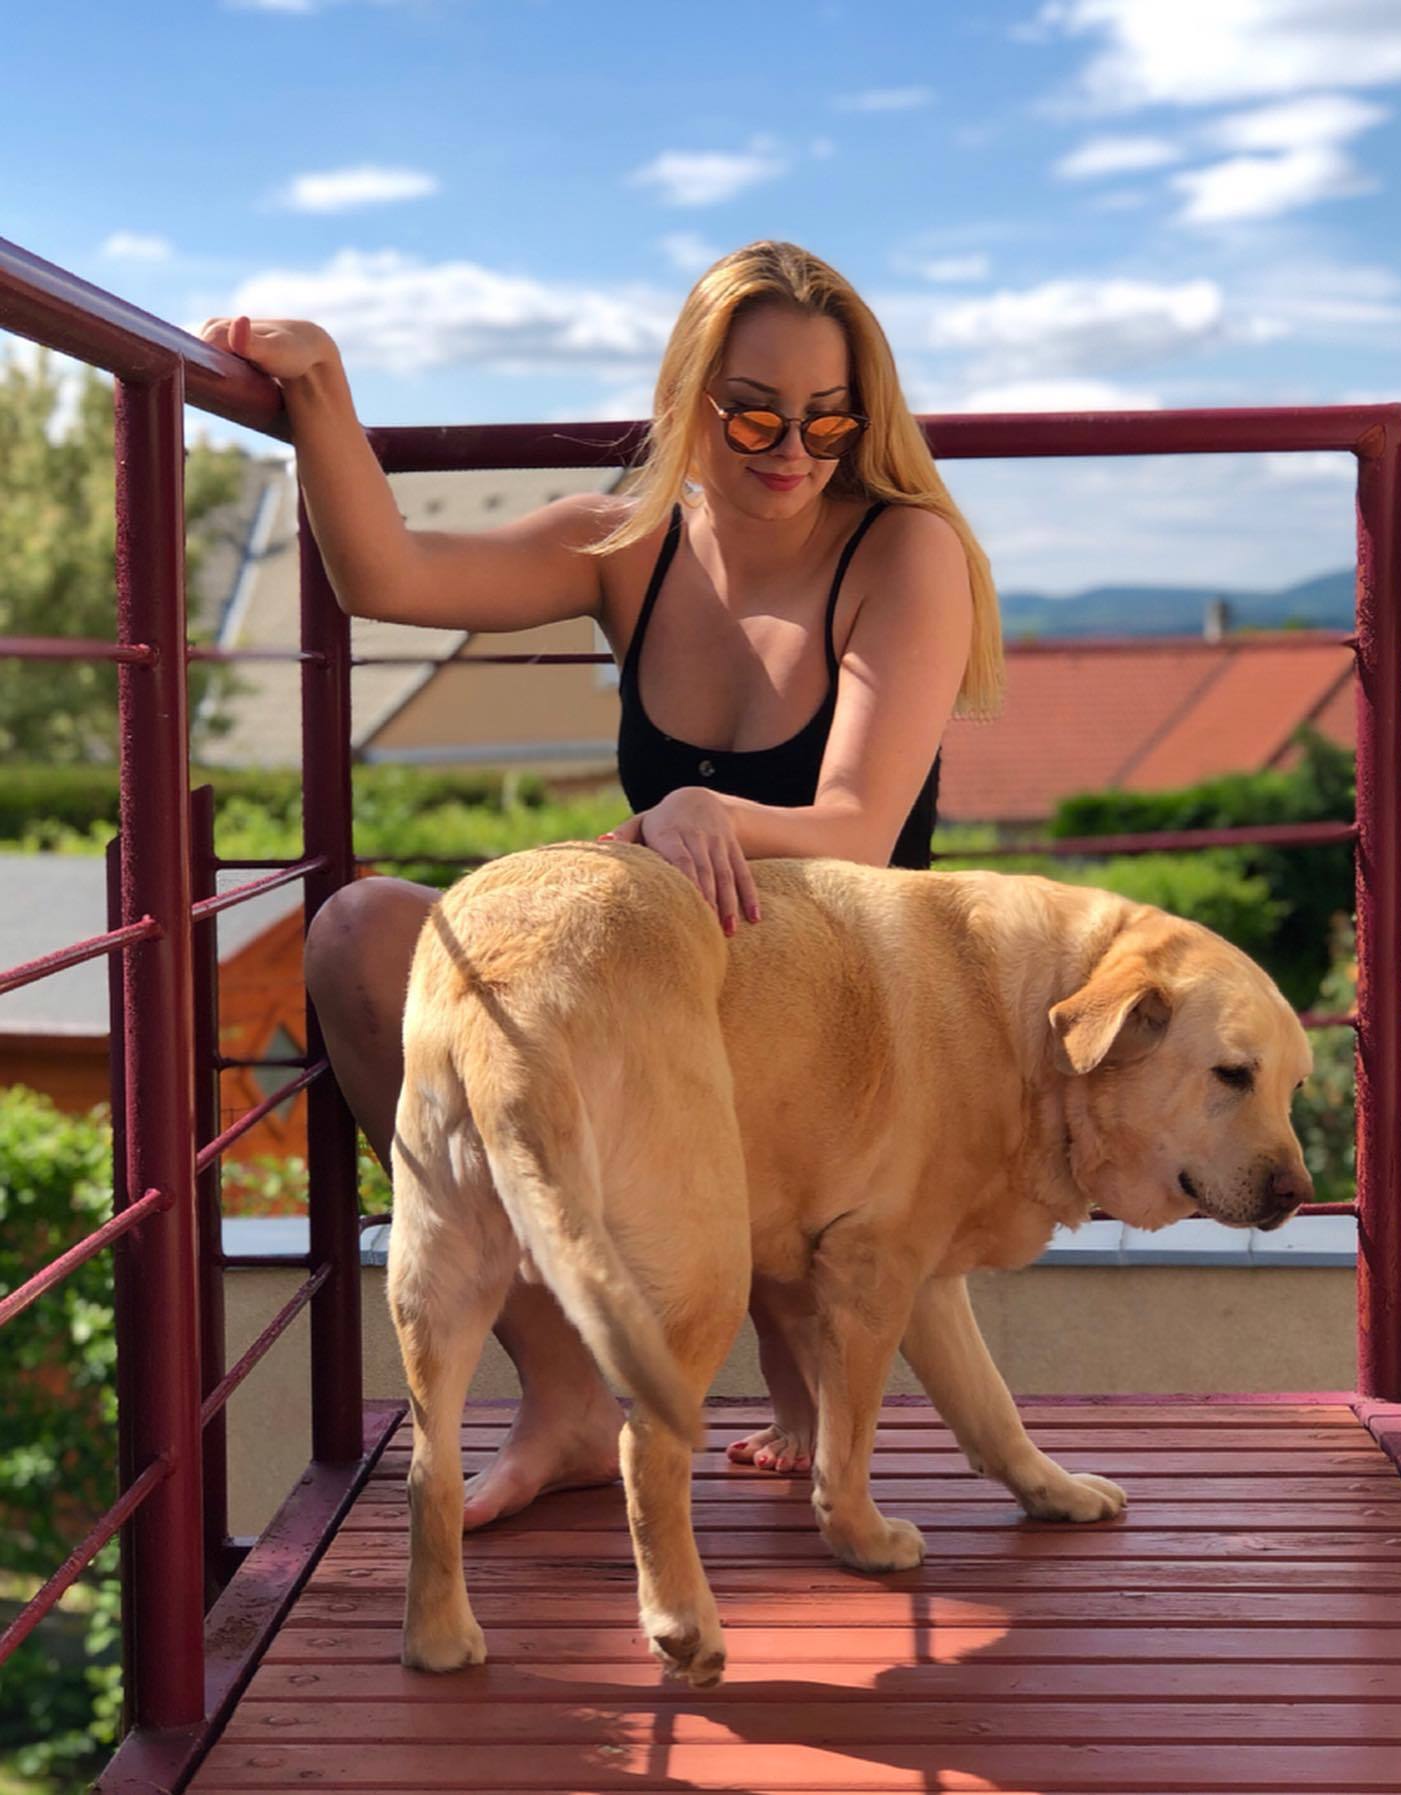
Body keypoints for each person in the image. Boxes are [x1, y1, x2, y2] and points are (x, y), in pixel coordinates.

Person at [199, 238, 1003, 1526]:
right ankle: (568, 1397)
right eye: (754, 413)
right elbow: (385, 577)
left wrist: (694, 810)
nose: (794, 451)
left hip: (844, 1021)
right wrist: (322, 389)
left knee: (809, 1389)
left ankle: (790, 1345)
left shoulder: (904, 550)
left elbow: (858, 830)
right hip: (673, 975)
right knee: (362, 937)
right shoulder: (626, 543)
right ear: (688, 397)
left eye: (830, 418)